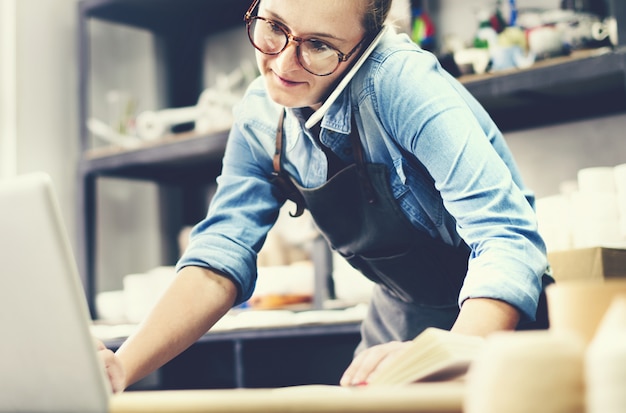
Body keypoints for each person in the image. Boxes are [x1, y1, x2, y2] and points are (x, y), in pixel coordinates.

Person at [98, 0, 551, 392]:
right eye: (273, 26)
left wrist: (450, 352)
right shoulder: (261, 116)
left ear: (364, 44)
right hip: (398, 324)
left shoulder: (401, 83)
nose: (283, 63)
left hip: (497, 328)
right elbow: (219, 260)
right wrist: (121, 367)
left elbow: (506, 237)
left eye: (318, 46)